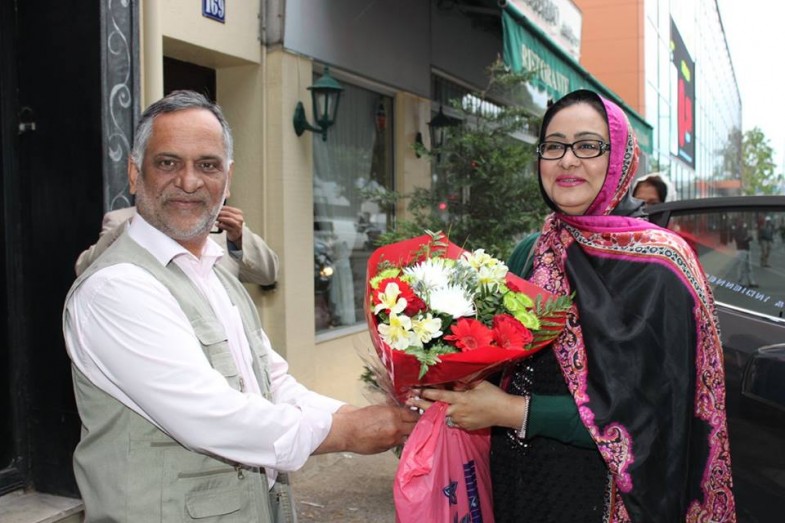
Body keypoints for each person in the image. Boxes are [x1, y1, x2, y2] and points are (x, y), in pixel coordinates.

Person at [62, 90, 418, 522]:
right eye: (168, 163)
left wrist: (354, 415)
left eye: (207, 165)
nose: (189, 181)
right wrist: (344, 430)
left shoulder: (217, 273)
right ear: (135, 174)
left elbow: (271, 382)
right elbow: (209, 415)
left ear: (228, 179)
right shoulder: (116, 288)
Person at [409, 90, 735, 521]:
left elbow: (658, 416)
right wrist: (445, 378)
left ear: (619, 159)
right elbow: (502, 362)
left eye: (588, 145)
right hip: (519, 484)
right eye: (554, 146)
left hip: (603, 496)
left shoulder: (660, 265)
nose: (567, 160)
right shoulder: (533, 249)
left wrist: (514, 411)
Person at [74, 203, 280, 286]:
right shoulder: (122, 220)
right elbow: (84, 269)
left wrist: (238, 238)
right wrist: (134, 227)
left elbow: (268, 275)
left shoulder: (223, 225)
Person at [734, 219, 758, 286]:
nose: (741, 224)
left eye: (742, 222)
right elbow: (740, 240)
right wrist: (747, 238)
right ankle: (740, 282)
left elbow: (748, 238)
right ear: (737, 223)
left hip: (747, 249)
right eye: (740, 222)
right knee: (741, 267)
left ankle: (751, 281)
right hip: (741, 250)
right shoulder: (736, 231)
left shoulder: (744, 230)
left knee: (749, 267)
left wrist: (749, 237)